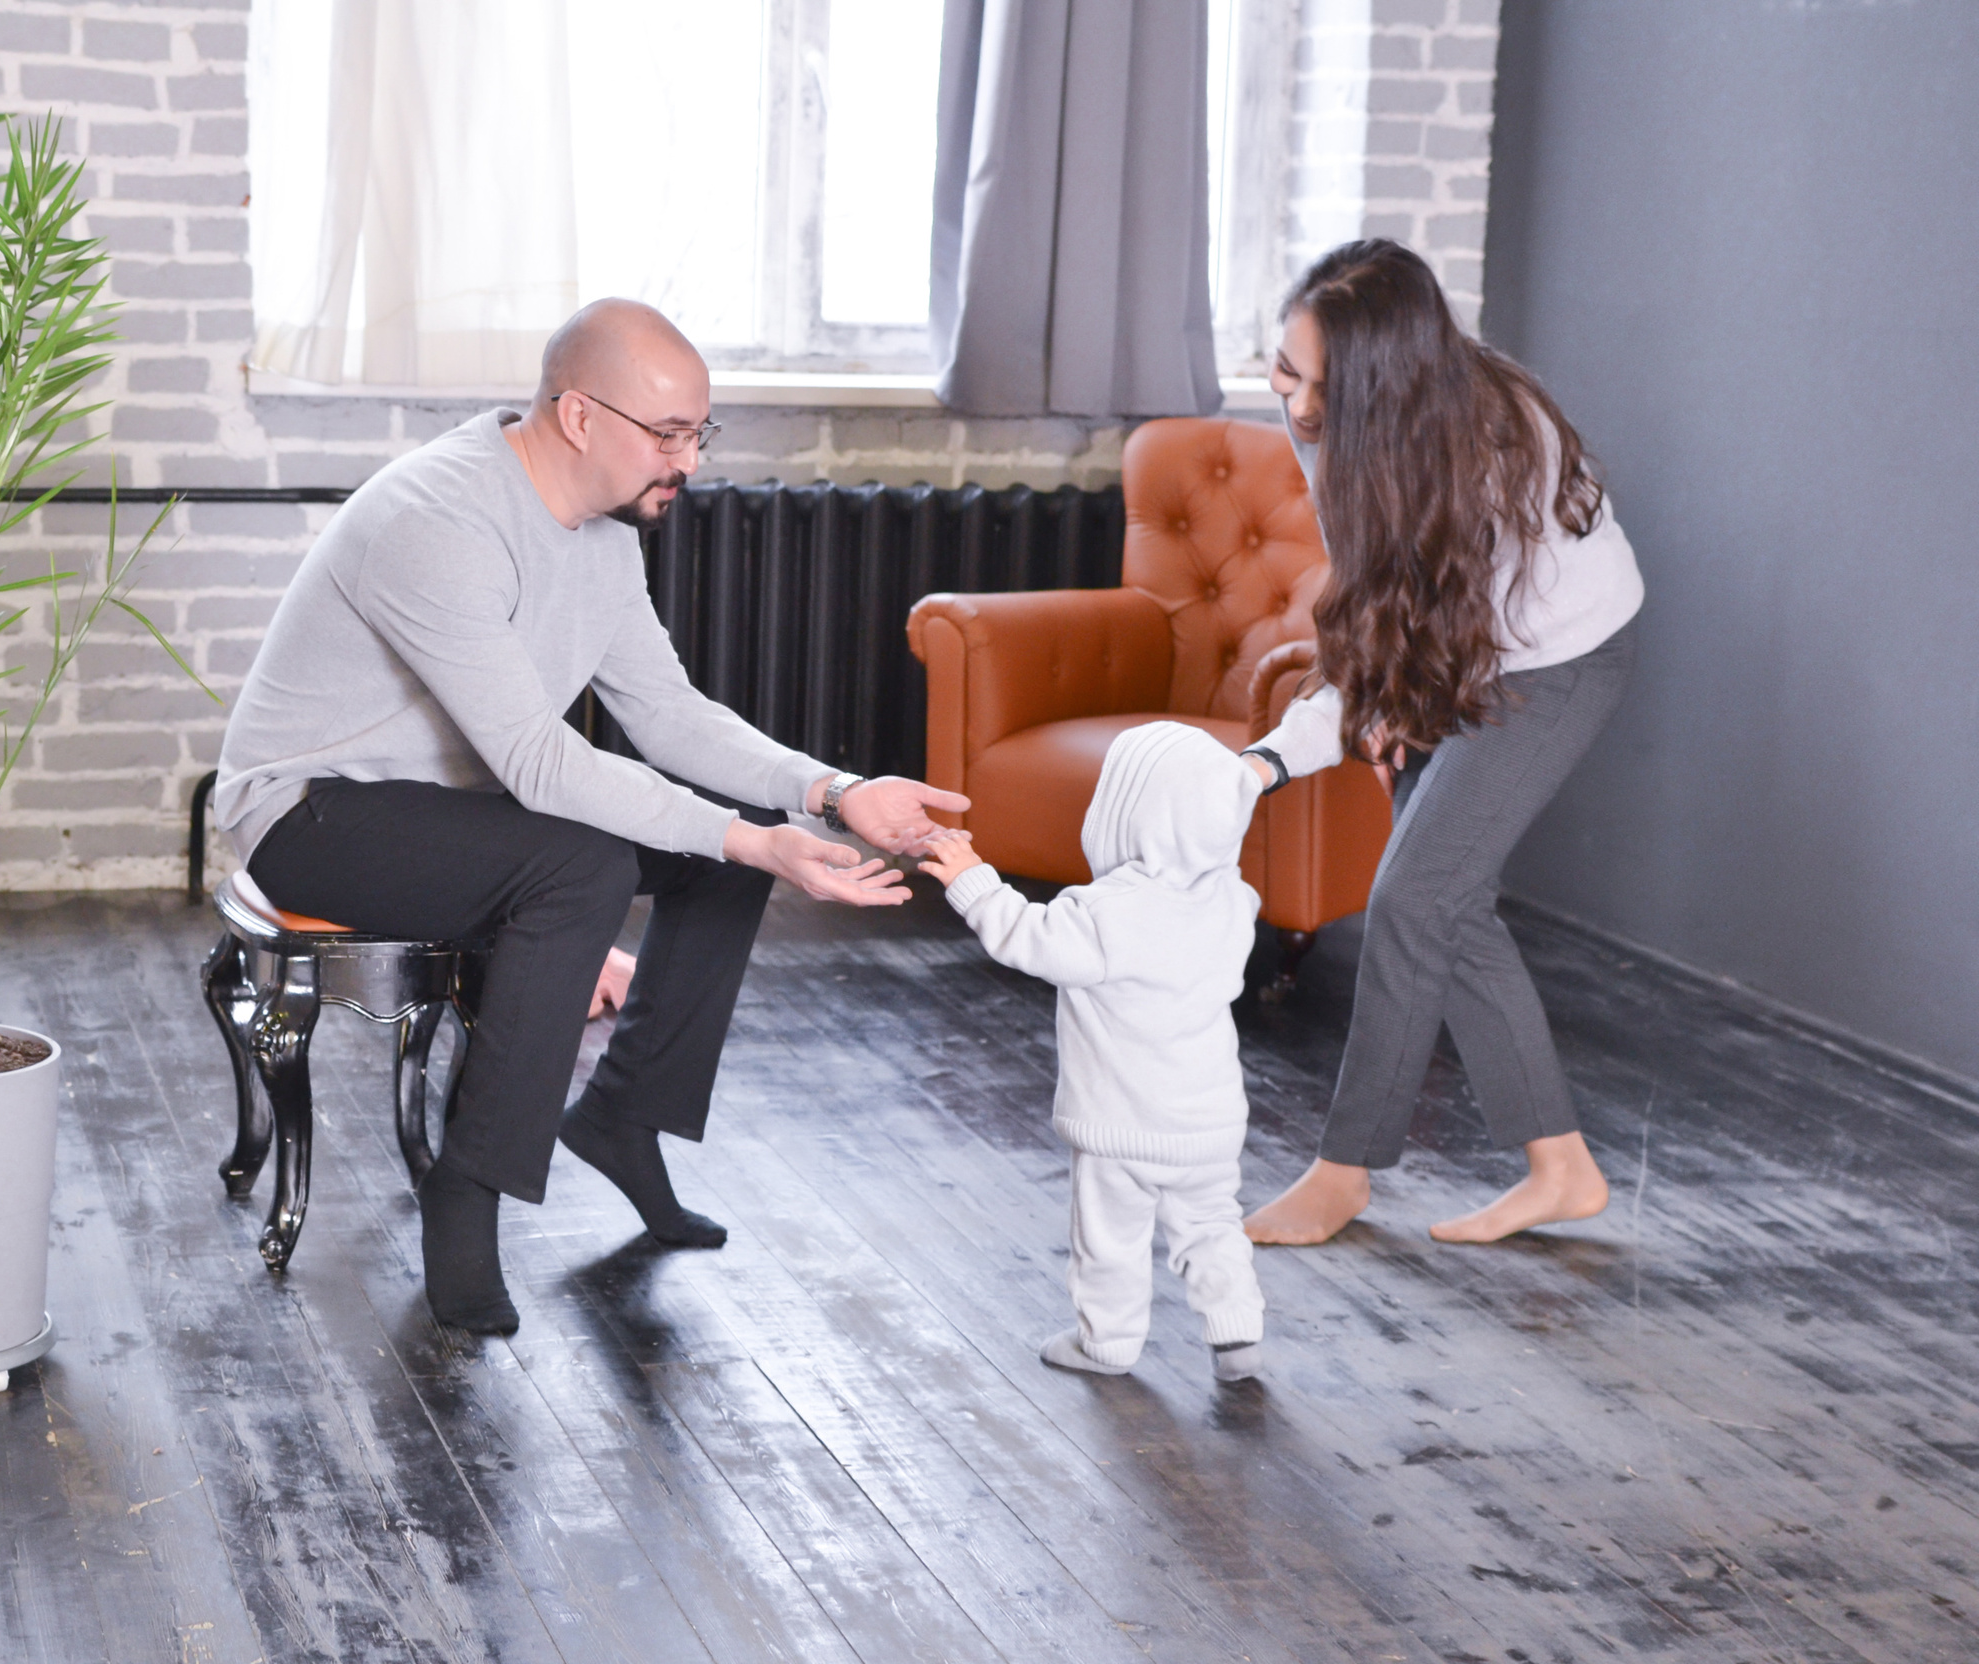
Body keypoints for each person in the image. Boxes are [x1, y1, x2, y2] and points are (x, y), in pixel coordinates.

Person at [212, 299, 968, 1333]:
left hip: (450, 810)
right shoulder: (436, 518)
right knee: (589, 868)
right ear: (576, 415)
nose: (690, 462)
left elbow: (668, 715)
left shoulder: (603, 539)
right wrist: (759, 839)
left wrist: (832, 792)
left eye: (699, 432)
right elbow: (534, 760)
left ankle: (623, 1113)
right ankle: (466, 1190)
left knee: (718, 837)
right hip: (309, 816)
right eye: (667, 434)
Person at [1236, 239, 1645, 1247]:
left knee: (1415, 897)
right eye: (1283, 372)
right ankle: (1562, 1169)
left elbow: (1455, 608)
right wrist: (1373, 691)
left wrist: (1396, 702)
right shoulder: (1340, 413)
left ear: (1387, 380)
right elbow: (1369, 576)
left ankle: (1343, 1172)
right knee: (1446, 905)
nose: (1294, 406)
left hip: (1555, 658)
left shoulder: (1496, 444)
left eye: (1319, 385)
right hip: (1467, 641)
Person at [920, 724, 1269, 1384]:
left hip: (1122, 1125)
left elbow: (1030, 938)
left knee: (1110, 1239)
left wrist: (973, 881)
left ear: (1123, 810)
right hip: (1211, 1120)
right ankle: (1237, 1333)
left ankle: (1105, 1343)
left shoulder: (1111, 910)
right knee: (1212, 1225)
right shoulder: (1234, 898)